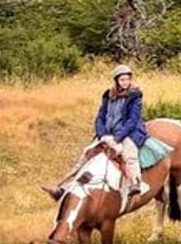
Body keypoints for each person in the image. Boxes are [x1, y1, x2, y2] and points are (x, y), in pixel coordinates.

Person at [42, 64, 145, 200]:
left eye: (127, 79)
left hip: (127, 133)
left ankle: (135, 185)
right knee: (85, 156)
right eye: (122, 80)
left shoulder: (135, 96)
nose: (125, 82)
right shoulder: (109, 95)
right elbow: (100, 118)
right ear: (116, 81)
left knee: (129, 155)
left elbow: (132, 120)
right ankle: (61, 188)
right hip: (108, 134)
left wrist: (117, 138)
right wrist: (103, 135)